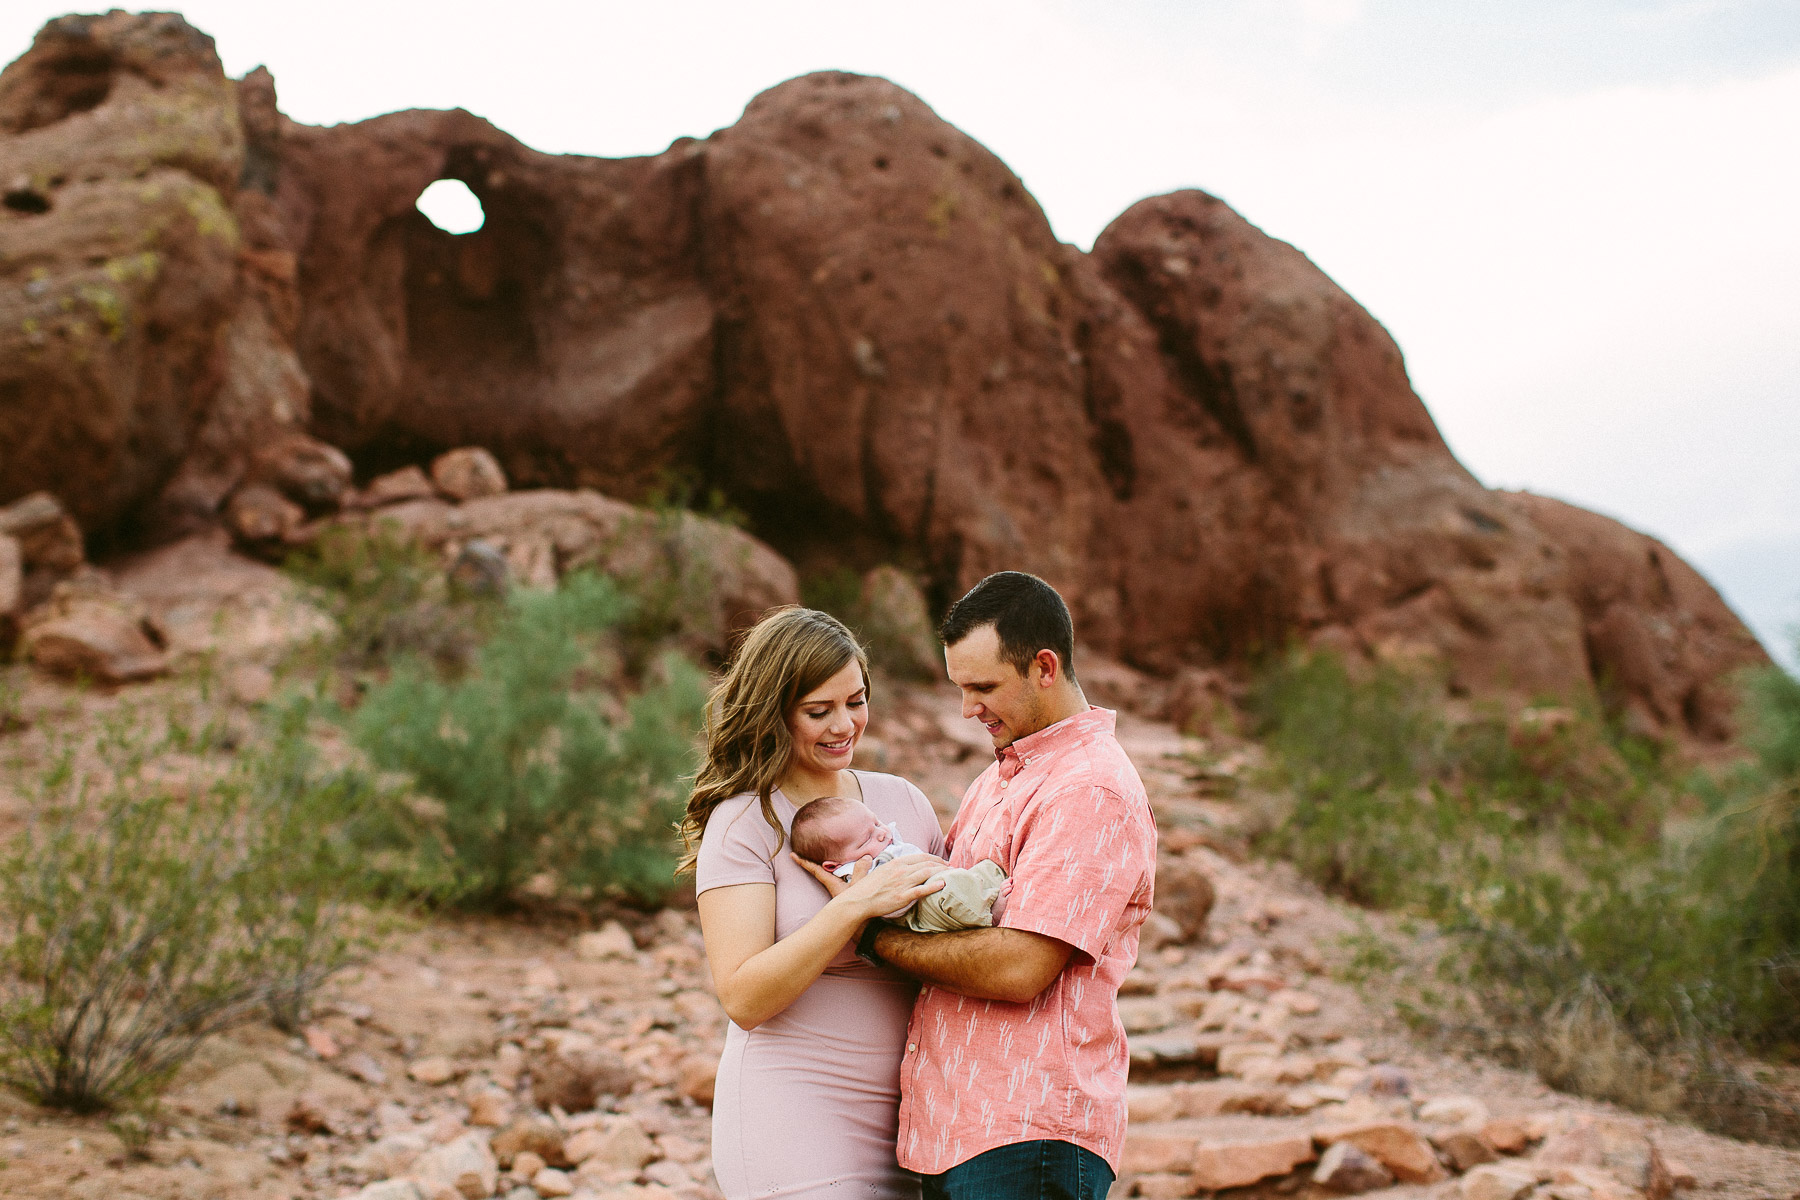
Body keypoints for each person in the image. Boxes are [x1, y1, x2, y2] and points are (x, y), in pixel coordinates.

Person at [798, 572, 1156, 1200]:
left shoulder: (1087, 789)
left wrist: (870, 935)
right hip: (953, 1133)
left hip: (1028, 1133)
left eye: (984, 687)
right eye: (961, 688)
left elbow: (1020, 966)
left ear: (1045, 666)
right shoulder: (1000, 778)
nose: (968, 710)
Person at [680, 606, 949, 1200]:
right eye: (818, 711)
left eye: (855, 701)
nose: (844, 726)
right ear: (775, 713)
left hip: (915, 1114)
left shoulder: (903, 801)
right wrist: (851, 908)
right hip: (793, 1107)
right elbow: (744, 997)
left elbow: (949, 932)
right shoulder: (745, 823)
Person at [789, 795, 1011, 933]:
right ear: (832, 866)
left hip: (938, 879)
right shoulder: (857, 874)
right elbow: (887, 908)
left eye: (876, 823)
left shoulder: (884, 839)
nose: (881, 834)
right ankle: (990, 913)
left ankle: (993, 889)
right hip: (921, 908)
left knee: (985, 868)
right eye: (866, 839)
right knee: (951, 892)